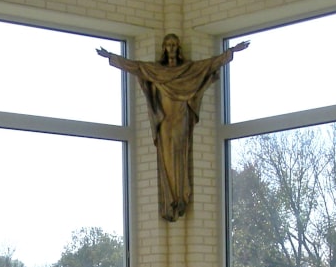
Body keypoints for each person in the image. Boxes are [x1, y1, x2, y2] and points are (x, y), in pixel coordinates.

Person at [97, 34, 249, 221]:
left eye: (174, 45)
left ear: (178, 48)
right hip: (164, 122)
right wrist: (111, 57)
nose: (171, 48)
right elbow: (135, 67)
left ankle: (180, 195)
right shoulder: (155, 71)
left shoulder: (188, 71)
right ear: (163, 47)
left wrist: (230, 52)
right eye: (168, 45)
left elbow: (209, 64)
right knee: (166, 158)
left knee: (180, 156)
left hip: (181, 120)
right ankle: (170, 199)